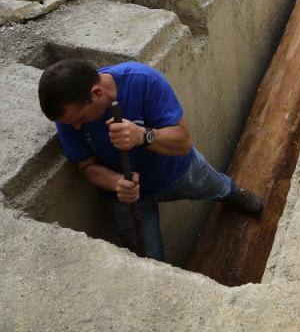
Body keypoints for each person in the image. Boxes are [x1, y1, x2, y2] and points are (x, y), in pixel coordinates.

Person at [38, 59, 263, 262]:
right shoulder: (69, 118)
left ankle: (233, 193)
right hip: (130, 196)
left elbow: (182, 142)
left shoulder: (143, 81)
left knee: (217, 185)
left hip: (175, 171)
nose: (77, 127)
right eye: (71, 123)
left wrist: (141, 136)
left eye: (81, 119)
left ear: (97, 93)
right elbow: (87, 166)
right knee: (148, 260)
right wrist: (117, 183)